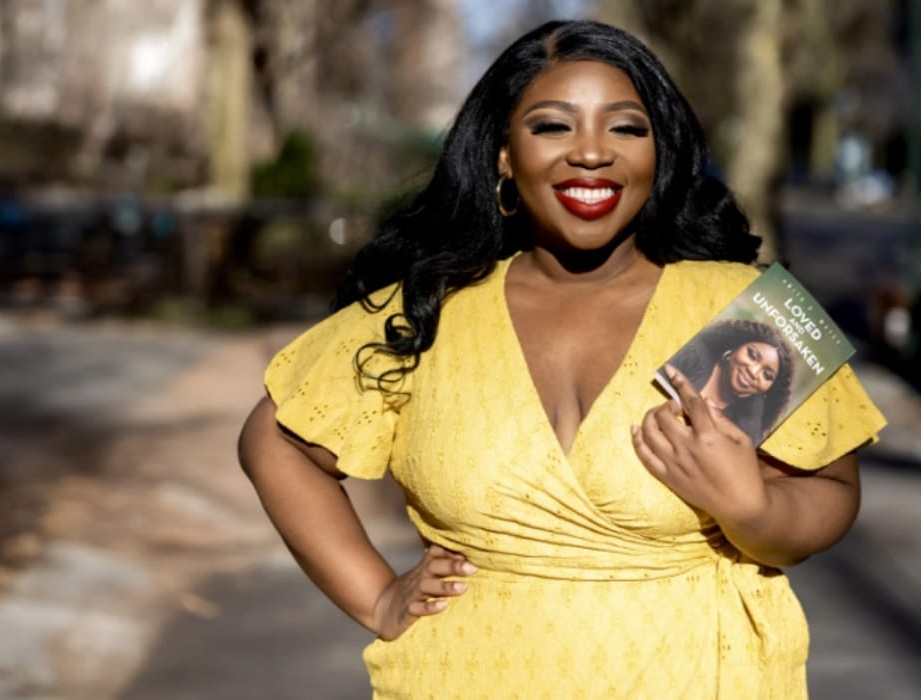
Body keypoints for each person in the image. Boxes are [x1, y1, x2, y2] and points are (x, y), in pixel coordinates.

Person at [238, 19, 886, 698]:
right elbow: (274, 442)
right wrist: (375, 599)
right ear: (503, 156)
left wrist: (751, 510)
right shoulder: (428, 308)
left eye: (626, 128)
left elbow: (834, 493)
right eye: (552, 127)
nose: (592, 154)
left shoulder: (747, 308)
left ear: (658, 153)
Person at [668, 319, 794, 445]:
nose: (753, 372)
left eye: (767, 375)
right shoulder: (692, 353)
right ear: (735, 347)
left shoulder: (748, 423)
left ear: (770, 389)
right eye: (752, 355)